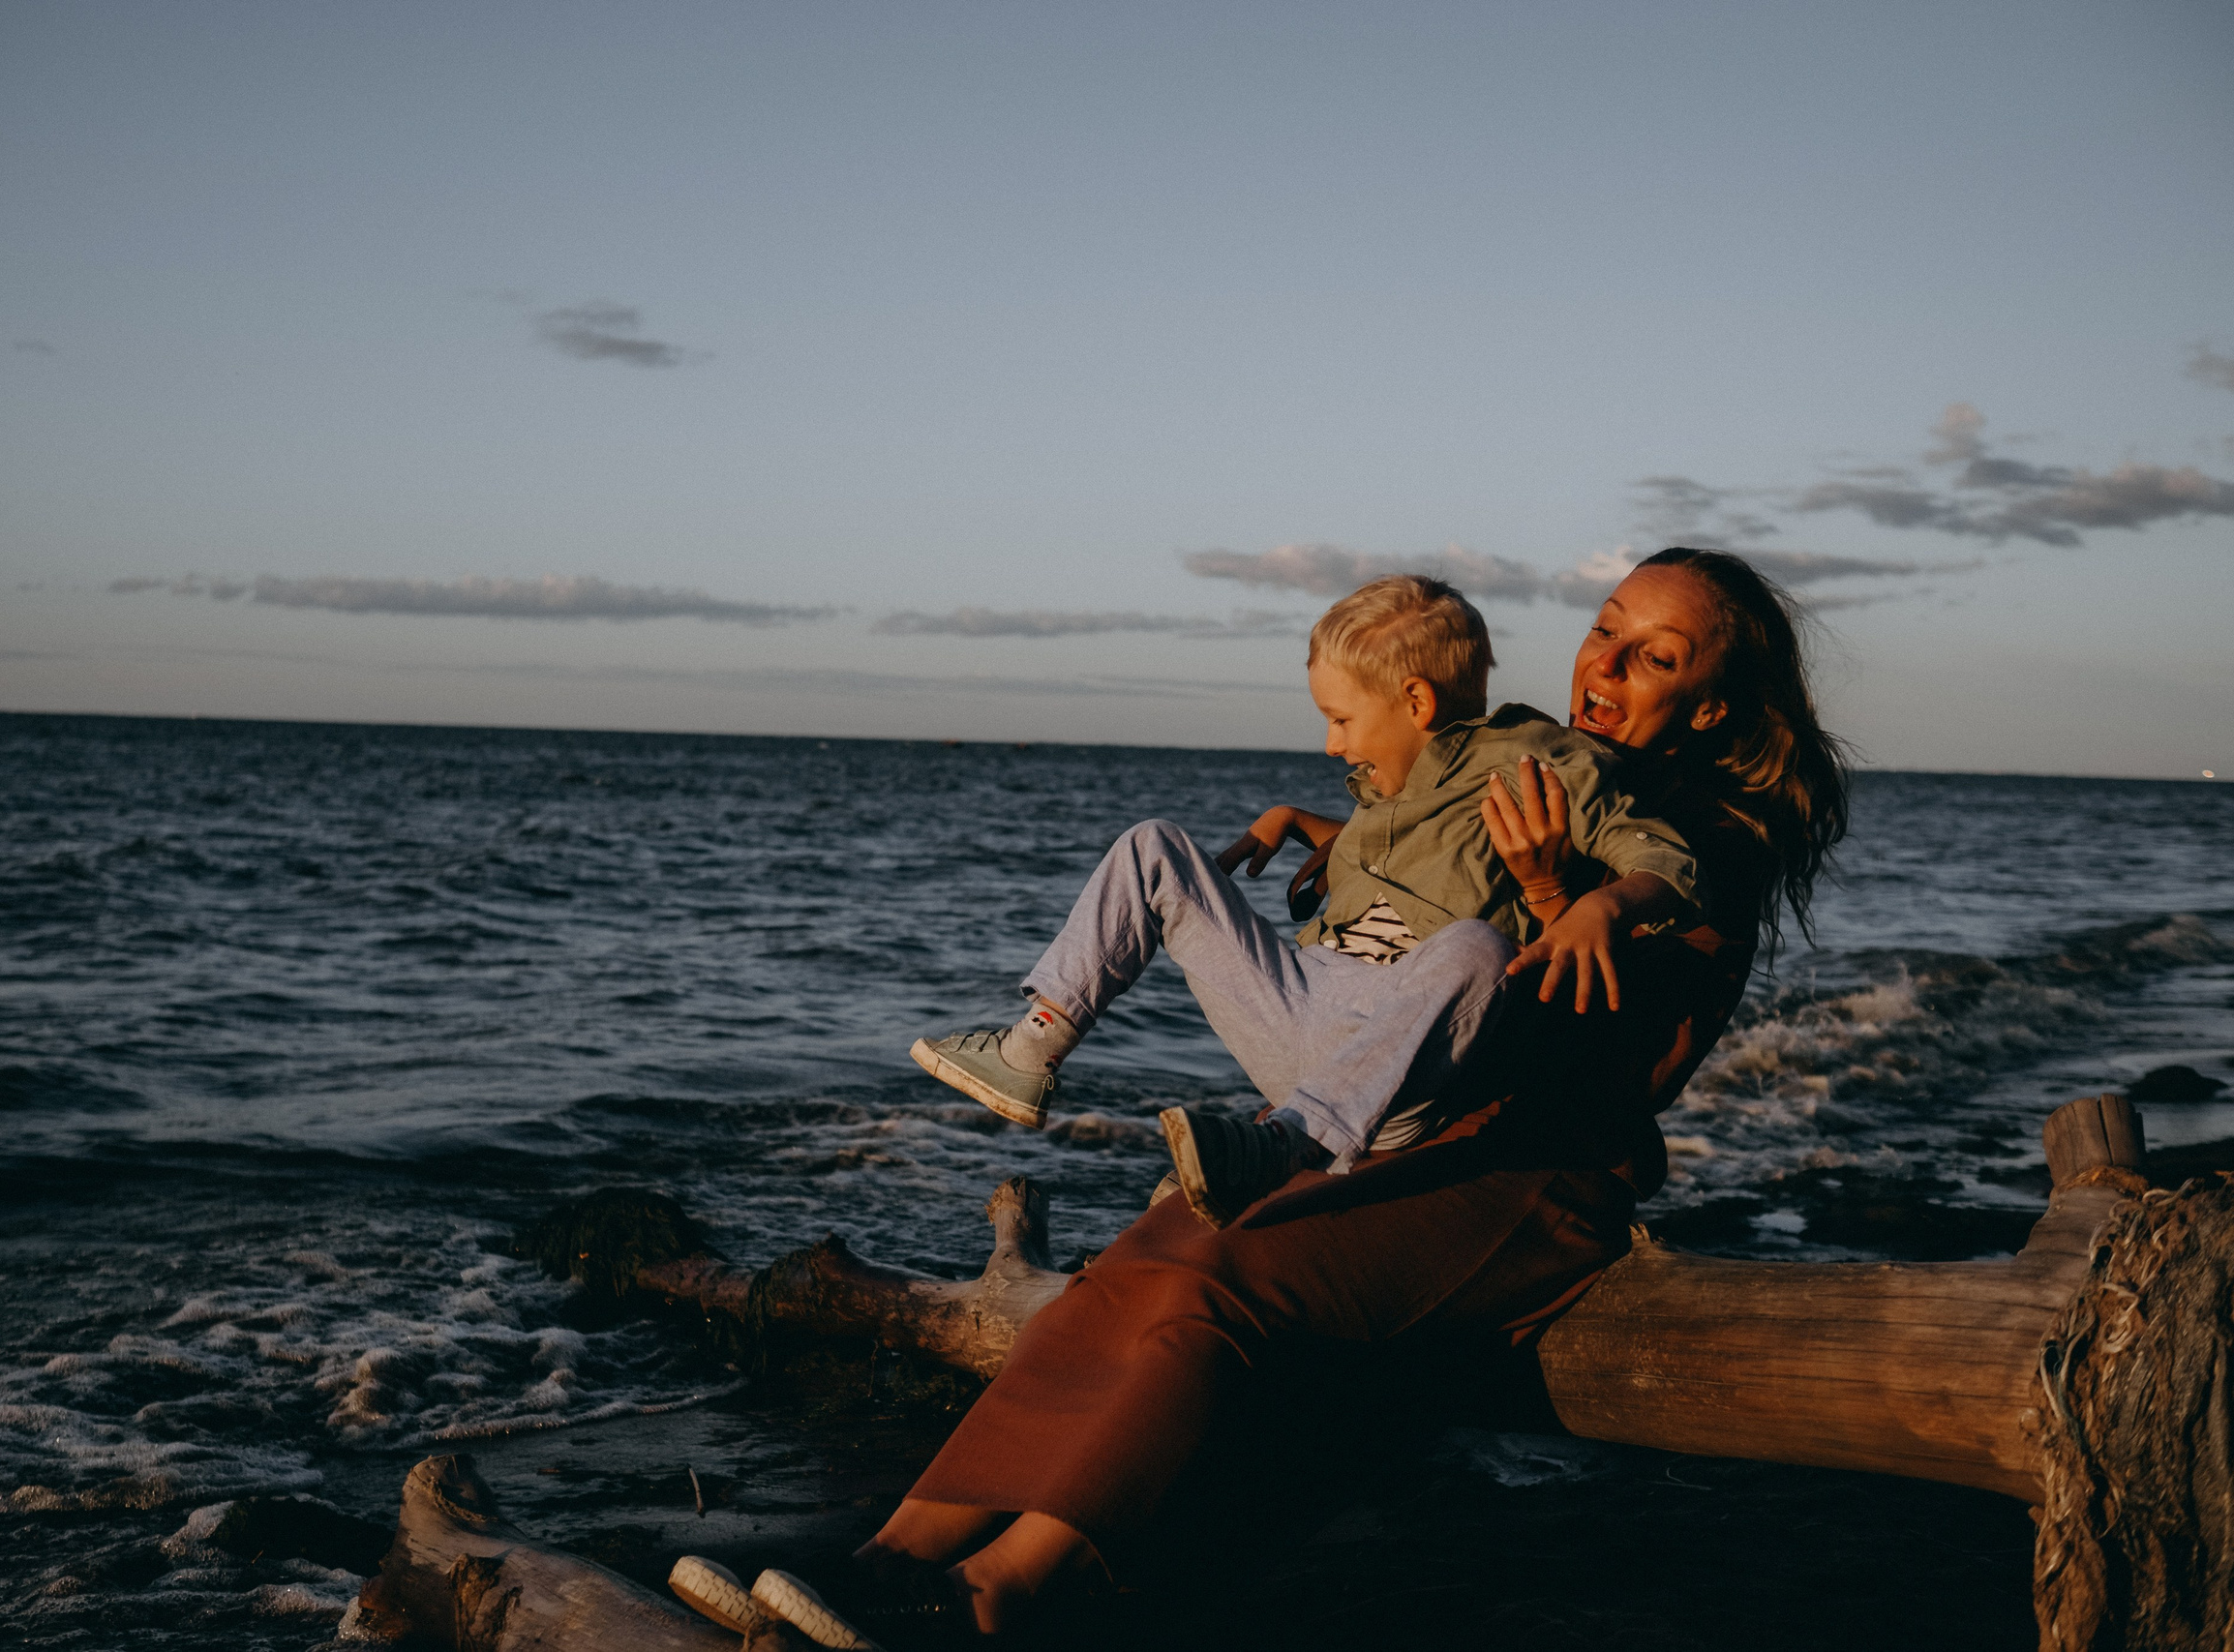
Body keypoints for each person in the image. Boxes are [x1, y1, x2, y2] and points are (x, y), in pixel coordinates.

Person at [699, 548, 1851, 1646]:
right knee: (1131, 1270)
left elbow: (1618, 1063)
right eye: (1605, 632)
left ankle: (996, 1595)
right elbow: (1425, 856)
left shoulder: (1708, 846)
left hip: (1522, 1170)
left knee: (1224, 1282)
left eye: (1654, 658)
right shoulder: (1531, 766)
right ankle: (888, 1562)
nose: (1604, 667)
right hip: (1393, 1116)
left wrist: (1555, 892)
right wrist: (1340, 835)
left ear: (1710, 706)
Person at [912, 571, 1706, 1228]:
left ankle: (1287, 1145)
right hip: (1295, 1002)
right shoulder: (1388, 788)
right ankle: (1031, 1050)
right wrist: (1295, 819)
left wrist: (1605, 905)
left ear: (1417, 703)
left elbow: (1666, 860)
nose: (1332, 743)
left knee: (1478, 947)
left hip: (1400, 1055)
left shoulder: (1537, 761)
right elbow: (1414, 852)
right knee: (1156, 844)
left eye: (1341, 719)